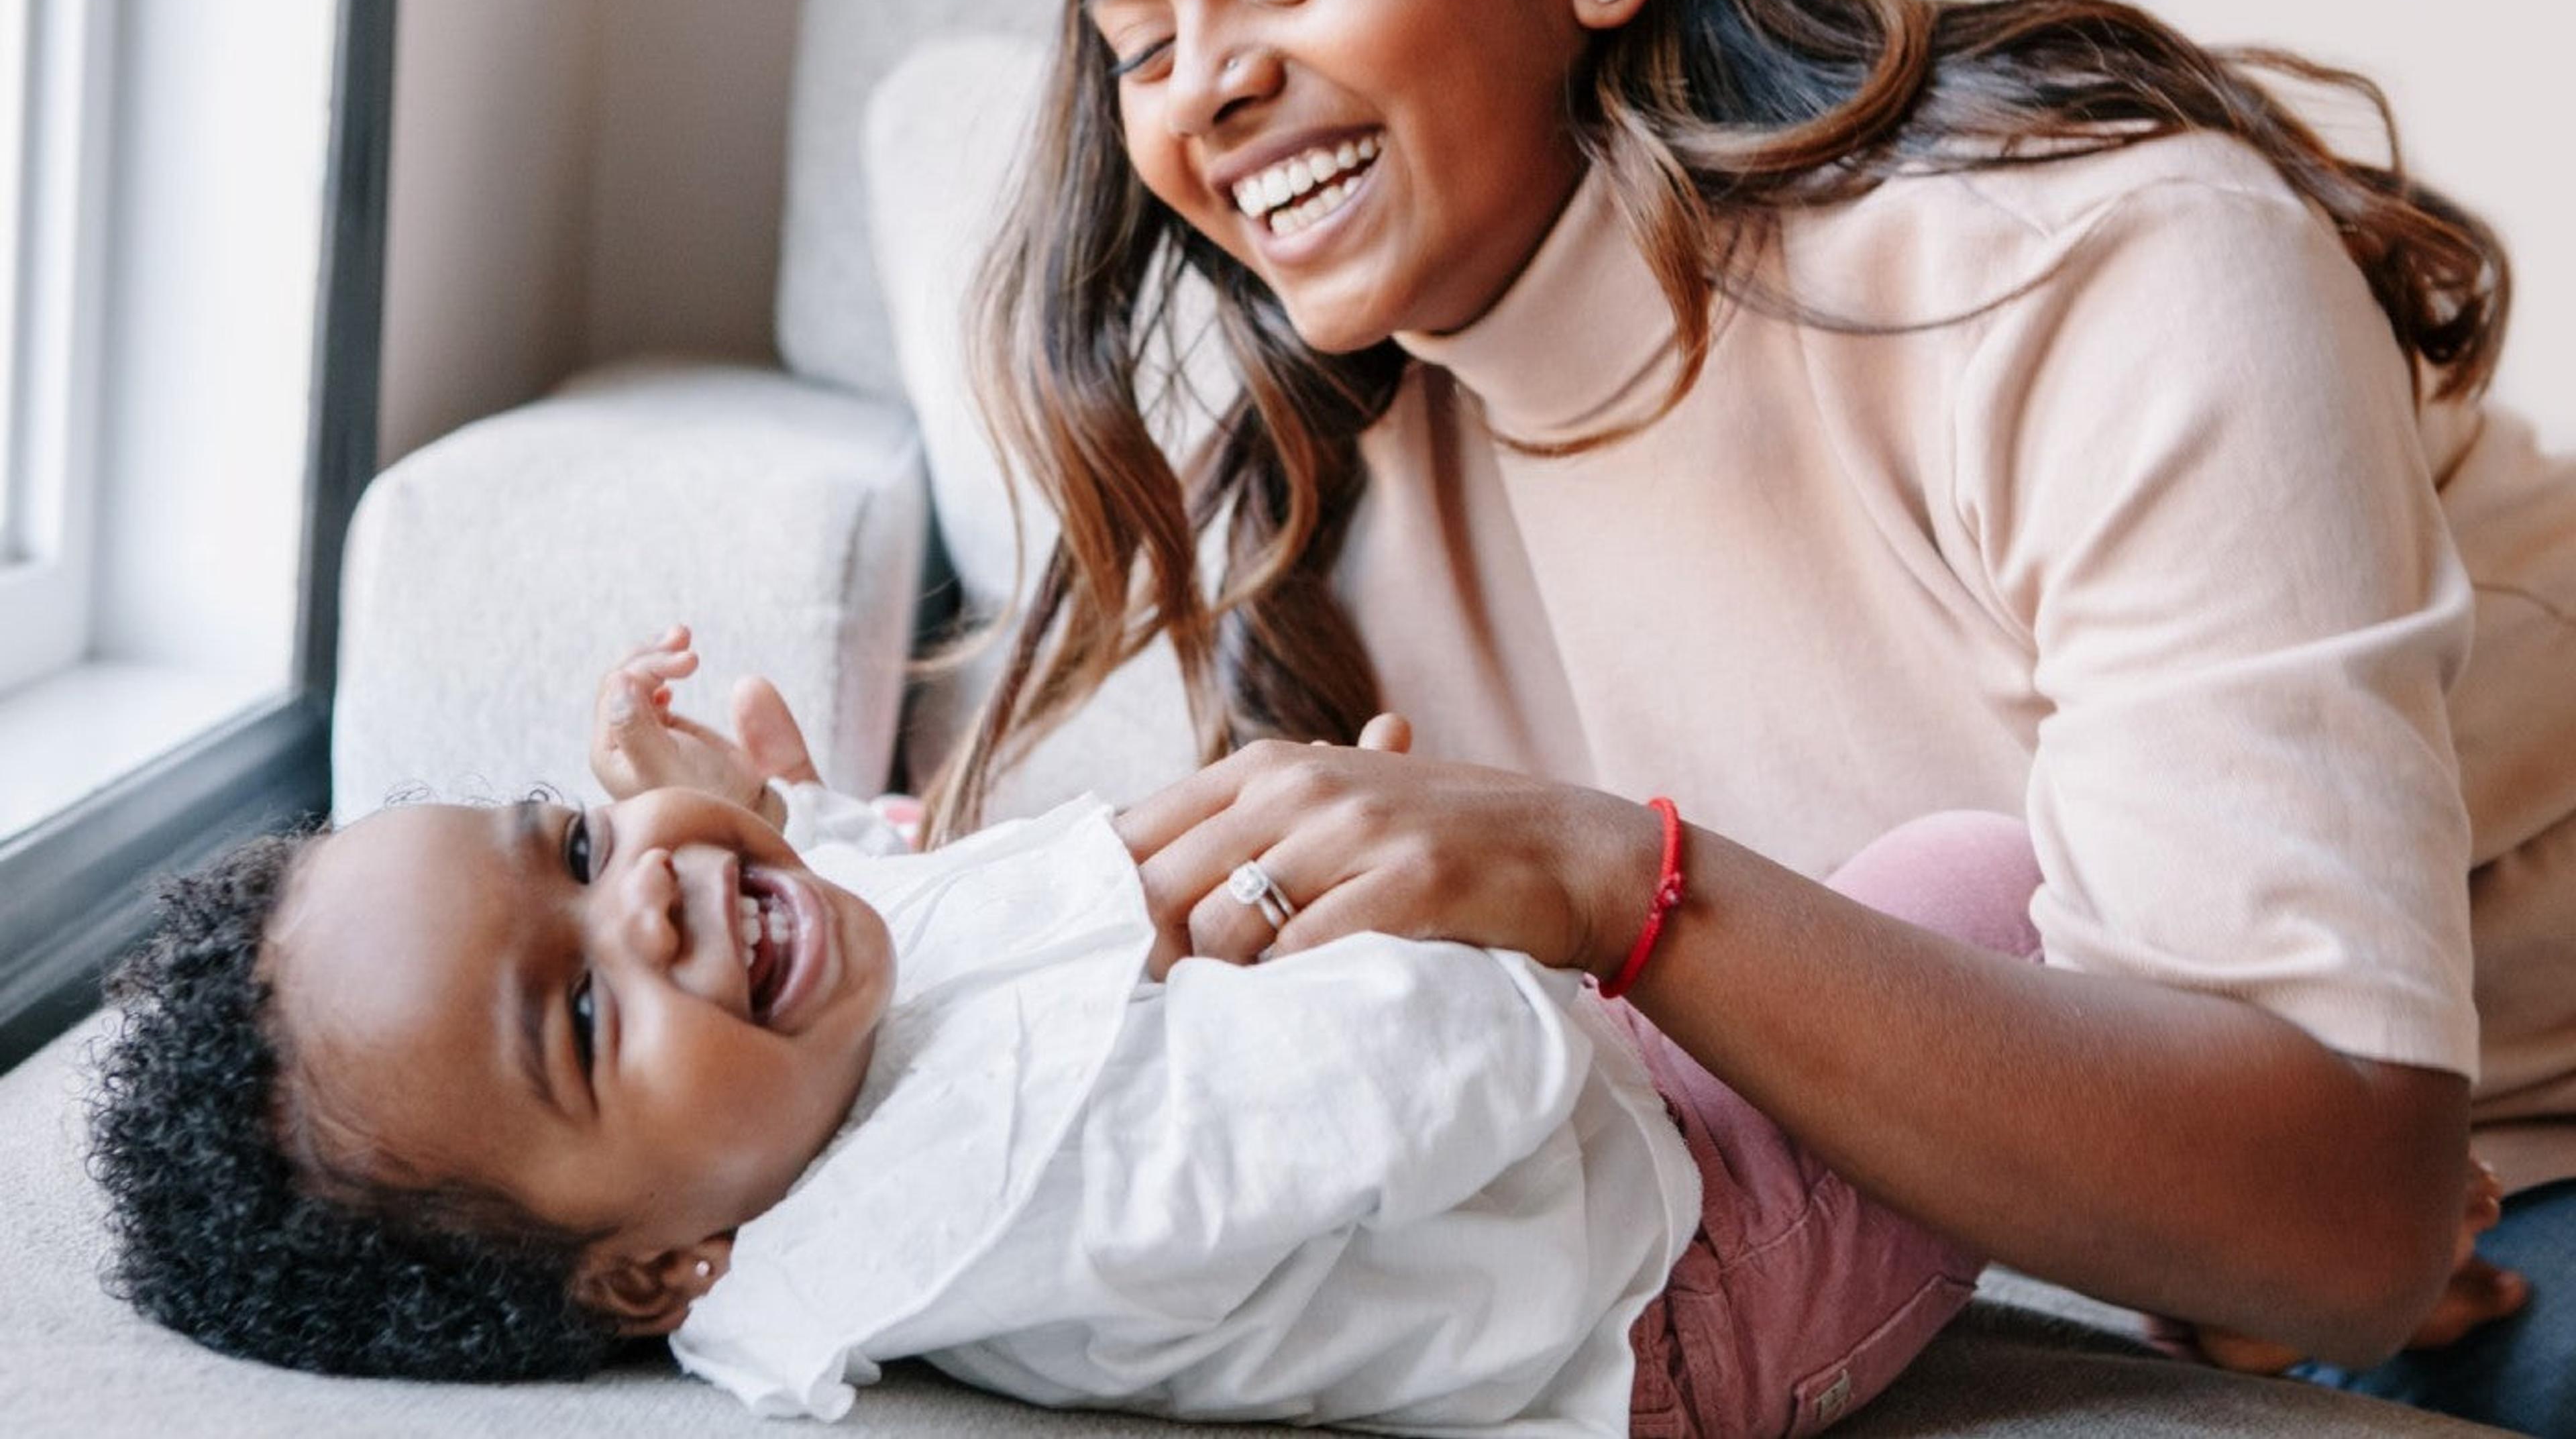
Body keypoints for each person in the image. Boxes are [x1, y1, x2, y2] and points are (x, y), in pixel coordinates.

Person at [929, 0, 2576, 1430]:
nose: (1204, 87)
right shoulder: (1335, 509)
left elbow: (2338, 1217)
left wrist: (1619, 881)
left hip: (2520, 1165)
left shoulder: (2096, 270)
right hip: (2051, 1241)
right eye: (1139, 45)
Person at [92, 631, 2051, 1436]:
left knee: (1852, 903)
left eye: (578, 845)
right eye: (586, 1011)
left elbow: (934, 931)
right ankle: (2161, 1225)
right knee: (1980, 889)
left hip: (1592, 1124)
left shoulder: (786, 1094)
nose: (653, 893)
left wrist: (795, 818)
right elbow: (1466, 1072)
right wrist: (1417, 886)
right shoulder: (1010, 1198)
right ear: (657, 1270)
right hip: (1685, 1268)